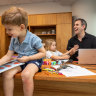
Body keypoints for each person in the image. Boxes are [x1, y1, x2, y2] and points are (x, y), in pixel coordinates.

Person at [0, 7, 46, 96]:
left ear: (21, 27)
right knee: (6, 74)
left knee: (26, 75)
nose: (7, 32)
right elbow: (8, 56)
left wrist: (28, 58)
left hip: (33, 60)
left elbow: (43, 53)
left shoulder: (33, 38)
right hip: (20, 61)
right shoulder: (13, 39)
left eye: (9, 29)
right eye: (6, 29)